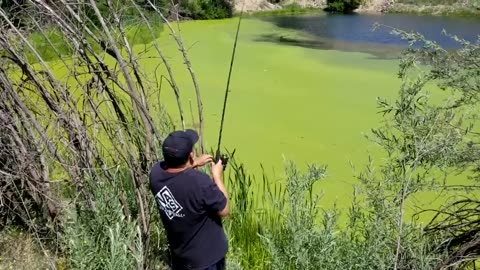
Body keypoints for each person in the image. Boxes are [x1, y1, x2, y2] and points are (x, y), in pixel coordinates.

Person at [149, 129, 230, 270]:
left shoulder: (156, 174)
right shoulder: (199, 182)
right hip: (206, 259)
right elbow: (224, 210)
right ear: (191, 155)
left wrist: (193, 163)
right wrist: (217, 175)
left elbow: (175, 172)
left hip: (181, 256)